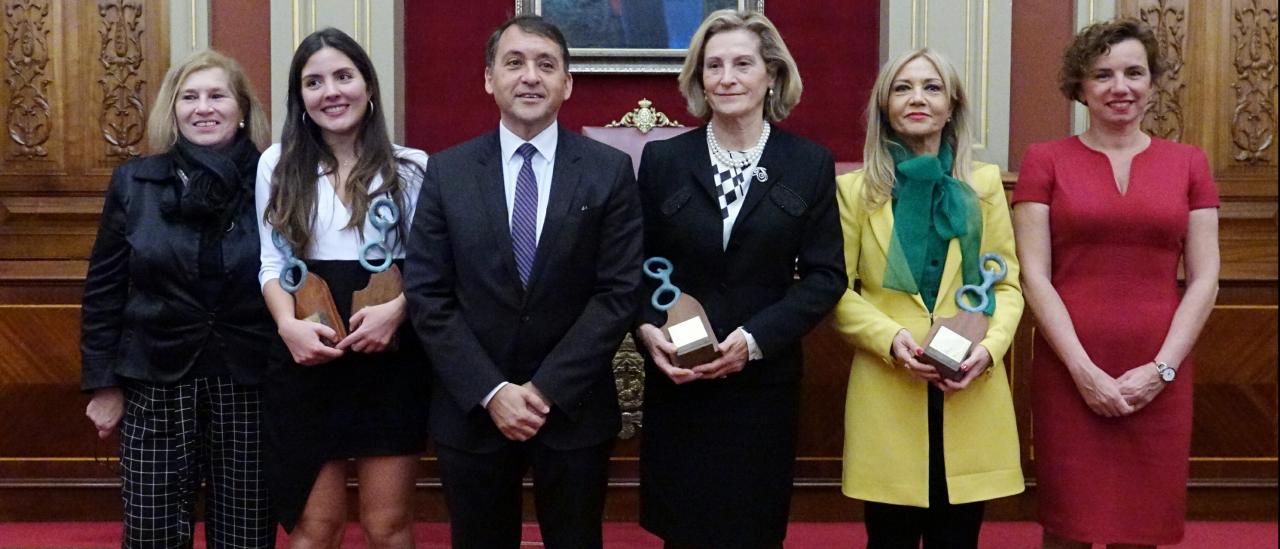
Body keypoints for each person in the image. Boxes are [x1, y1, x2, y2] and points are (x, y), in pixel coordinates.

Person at [402, 15, 642, 549]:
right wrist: (492, 392)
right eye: (514, 63)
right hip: (473, 409)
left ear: (567, 83)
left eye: (546, 65)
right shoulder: (447, 172)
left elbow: (618, 292)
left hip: (574, 409)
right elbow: (428, 293)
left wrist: (545, 389)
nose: (530, 76)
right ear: (490, 79)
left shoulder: (609, 171)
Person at [633, 10, 846, 549]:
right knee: (684, 527)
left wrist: (752, 342)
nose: (726, 78)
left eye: (742, 64)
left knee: (753, 528)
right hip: (680, 381)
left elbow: (826, 277)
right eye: (713, 66)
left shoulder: (808, 163)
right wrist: (646, 327)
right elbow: (632, 264)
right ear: (699, 78)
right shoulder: (663, 160)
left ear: (771, 74)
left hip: (762, 384)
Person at [1011, 20, 1219, 549]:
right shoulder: (1046, 159)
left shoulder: (1189, 162)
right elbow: (1034, 274)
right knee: (1069, 525)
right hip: (1069, 367)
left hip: (1160, 368)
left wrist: (1161, 369)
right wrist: (1083, 371)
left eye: (1133, 72)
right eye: (1102, 74)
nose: (1119, 87)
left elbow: (1205, 277)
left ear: (1152, 83)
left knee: (1143, 525)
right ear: (1079, 86)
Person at [80, 49, 275, 548]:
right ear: (174, 109)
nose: (203, 107)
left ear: (243, 109)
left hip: (249, 382)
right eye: (190, 97)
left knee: (245, 534)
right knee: (151, 535)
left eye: (217, 95)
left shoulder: (274, 181)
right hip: (154, 380)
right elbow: (104, 288)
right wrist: (103, 384)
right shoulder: (134, 182)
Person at [832, 48, 1025, 547]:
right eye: (902, 88)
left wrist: (988, 350)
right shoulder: (853, 191)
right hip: (889, 386)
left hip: (968, 388)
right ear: (884, 106)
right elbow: (834, 287)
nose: (917, 98)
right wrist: (890, 338)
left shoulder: (982, 185)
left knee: (957, 538)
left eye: (931, 87)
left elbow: (1005, 283)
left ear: (952, 103)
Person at [256, 28, 428, 548]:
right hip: (307, 354)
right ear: (300, 98)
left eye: (343, 76)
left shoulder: (412, 167)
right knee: (316, 529)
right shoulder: (276, 163)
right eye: (314, 82)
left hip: (391, 359)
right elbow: (268, 261)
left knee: (387, 526)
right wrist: (288, 327)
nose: (331, 91)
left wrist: (396, 312)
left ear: (368, 86)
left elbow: (434, 267)